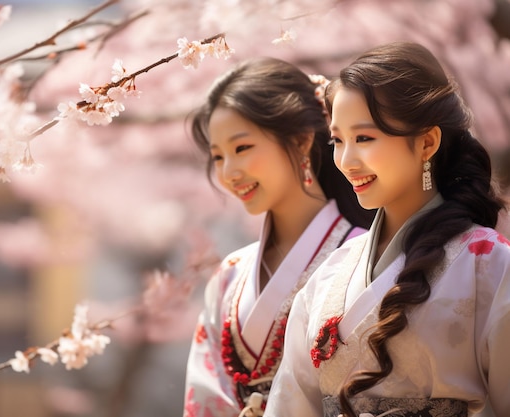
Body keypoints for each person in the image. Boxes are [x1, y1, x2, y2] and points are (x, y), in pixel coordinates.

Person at [264, 41, 510, 417]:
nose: (346, 161)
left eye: (364, 138)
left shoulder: (490, 265)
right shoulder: (330, 274)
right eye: (337, 140)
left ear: (427, 141)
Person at [182, 57, 375, 417]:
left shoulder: (363, 260)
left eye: (241, 148)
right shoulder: (229, 275)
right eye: (218, 156)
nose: (229, 172)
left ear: (301, 140)